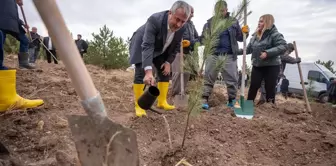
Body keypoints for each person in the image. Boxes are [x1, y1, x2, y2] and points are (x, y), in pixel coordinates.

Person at [129, 1, 191, 117]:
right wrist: (148, 71)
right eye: (177, 19)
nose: (179, 25)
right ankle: (139, 105)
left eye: (183, 21)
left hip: (161, 47)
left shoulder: (182, 27)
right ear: (170, 13)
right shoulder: (155, 20)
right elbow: (147, 46)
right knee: (141, 72)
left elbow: (176, 46)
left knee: (165, 71)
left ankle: (162, 102)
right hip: (142, 42)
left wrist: (168, 62)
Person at [200, 0, 249, 110]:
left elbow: (240, 38)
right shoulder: (209, 23)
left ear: (226, 10)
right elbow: (203, 39)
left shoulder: (233, 22)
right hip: (212, 54)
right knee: (209, 77)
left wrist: (245, 32)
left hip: (229, 55)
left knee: (232, 79)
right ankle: (204, 99)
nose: (220, 13)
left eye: (222, 10)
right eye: (218, 11)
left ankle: (232, 101)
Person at [0, 0, 44, 111]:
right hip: (2, 20)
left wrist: (22, 23)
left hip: (14, 23)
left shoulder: (13, 4)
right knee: (0, 37)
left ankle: (24, 63)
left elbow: (13, 14)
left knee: (25, 40)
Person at [242, 14, 287, 104]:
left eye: (261, 21)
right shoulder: (255, 36)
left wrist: (268, 53)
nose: (259, 23)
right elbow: (248, 49)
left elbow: (283, 46)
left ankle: (270, 107)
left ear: (268, 22)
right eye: (259, 21)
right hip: (257, 65)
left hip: (272, 65)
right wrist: (233, 51)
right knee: (253, 86)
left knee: (269, 88)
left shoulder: (275, 34)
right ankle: (248, 105)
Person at [170, 5, 199, 97]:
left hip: (188, 52)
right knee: (177, 73)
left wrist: (190, 43)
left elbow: (198, 38)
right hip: (178, 51)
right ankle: (175, 94)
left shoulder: (191, 25)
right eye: (191, 12)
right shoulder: (178, 22)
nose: (193, 15)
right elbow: (172, 34)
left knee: (186, 73)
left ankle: (182, 93)